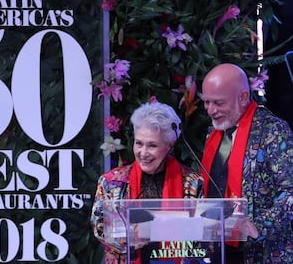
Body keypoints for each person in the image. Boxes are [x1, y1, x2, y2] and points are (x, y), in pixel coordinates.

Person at [200, 63, 293, 264]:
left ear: (243, 97)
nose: (211, 110)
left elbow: (291, 193)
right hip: (219, 250)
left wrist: (257, 226)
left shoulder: (273, 130)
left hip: (261, 253)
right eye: (206, 102)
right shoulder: (213, 132)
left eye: (218, 103)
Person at [90, 101, 204, 264]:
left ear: (169, 145)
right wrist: (133, 237)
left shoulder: (194, 183)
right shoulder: (111, 182)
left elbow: (203, 234)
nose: (143, 153)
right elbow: (100, 226)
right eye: (139, 143)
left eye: (152, 145)